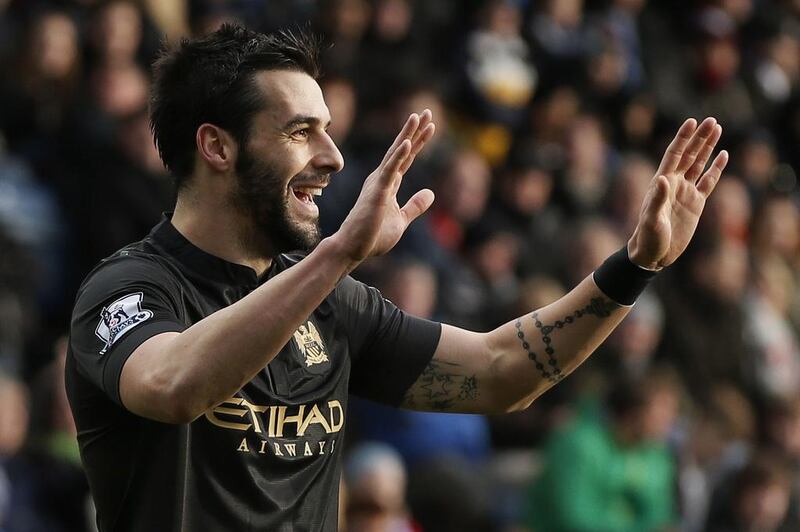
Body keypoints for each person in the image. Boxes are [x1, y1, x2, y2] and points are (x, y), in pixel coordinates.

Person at [65, 24, 728, 531]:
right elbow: (175, 384)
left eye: (328, 131)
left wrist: (634, 267)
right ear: (217, 147)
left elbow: (500, 371)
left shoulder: (334, 303)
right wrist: (336, 257)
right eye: (301, 133)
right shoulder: (127, 291)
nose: (330, 157)